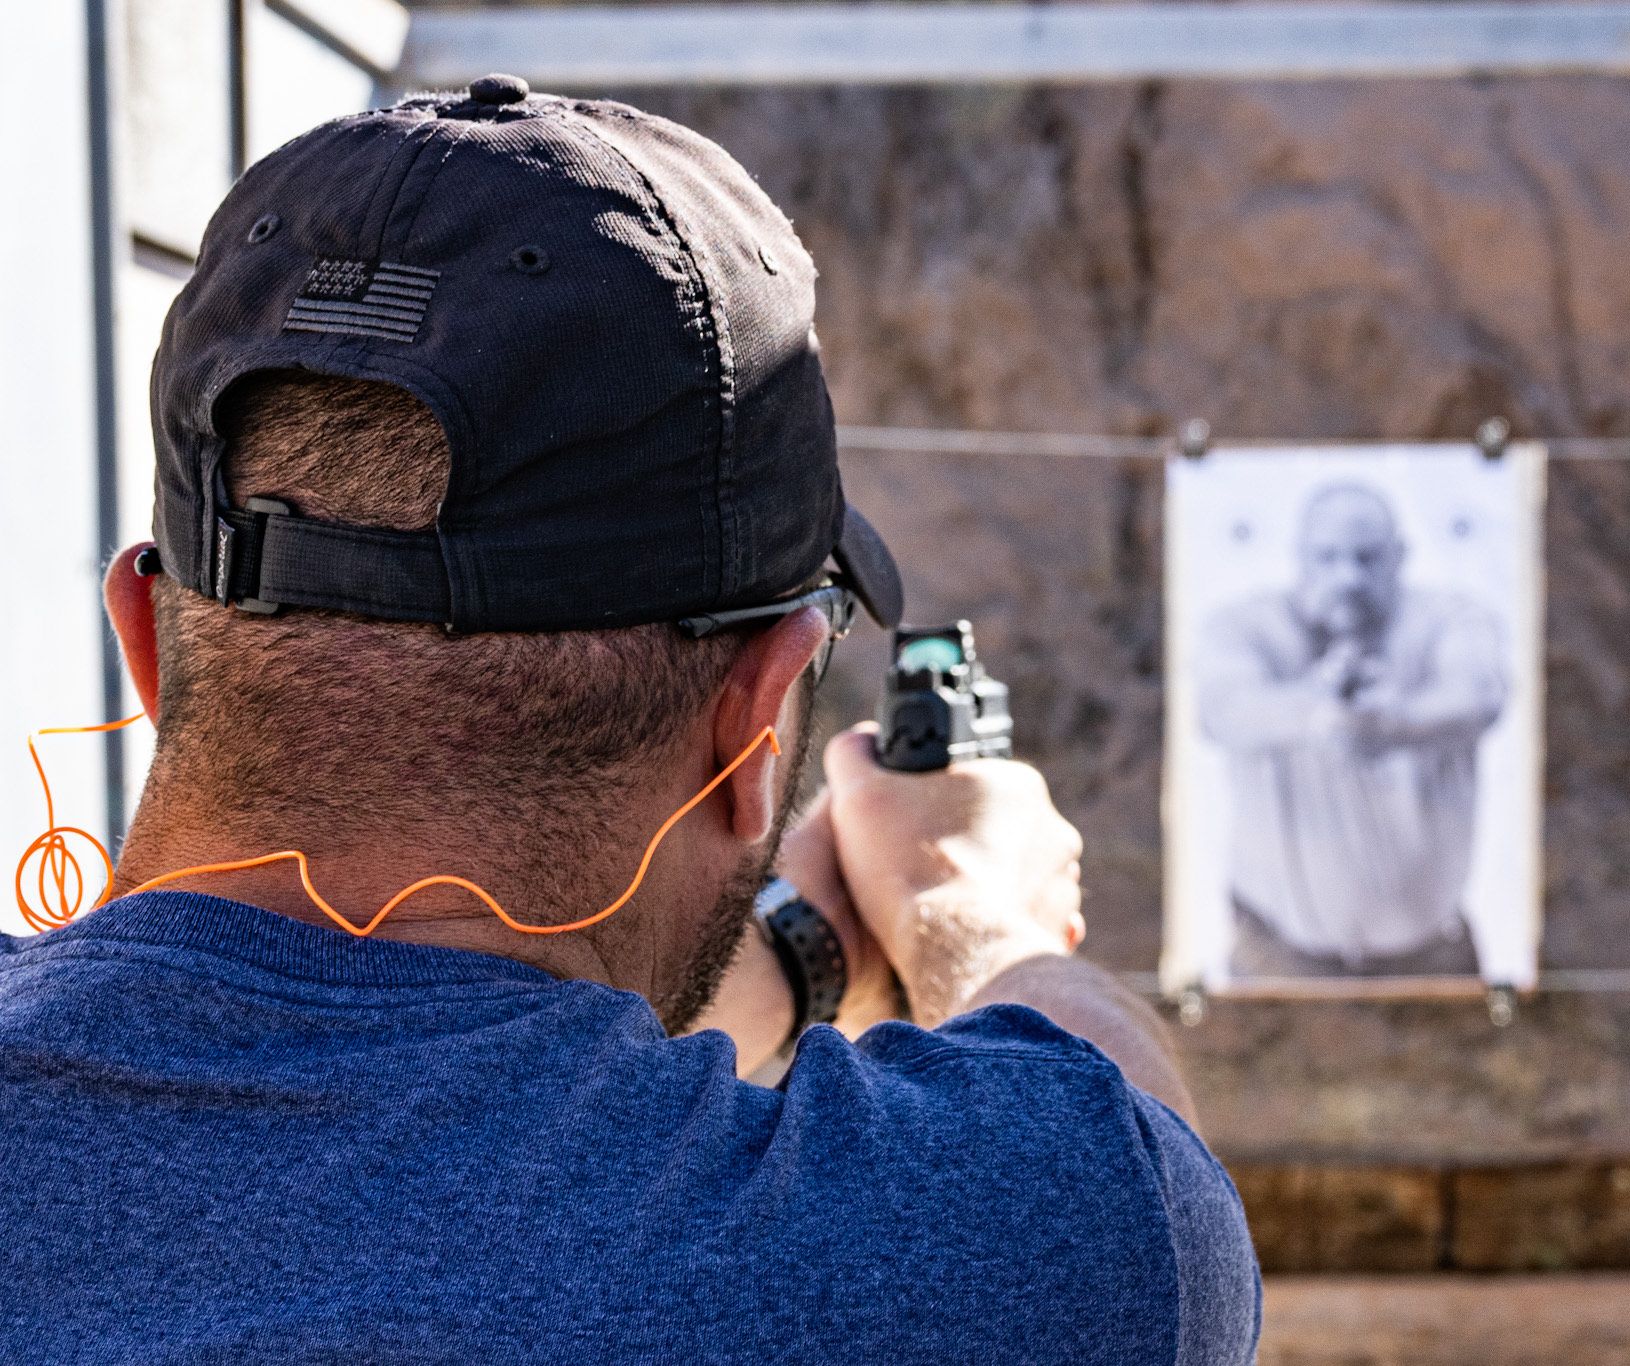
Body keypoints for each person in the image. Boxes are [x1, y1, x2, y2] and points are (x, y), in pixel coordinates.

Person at [0, 79, 1257, 1363]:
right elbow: (1138, 1187)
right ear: (757, 726)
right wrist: (976, 916)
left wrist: (809, 948)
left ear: (147, 644)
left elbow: (390, 1121)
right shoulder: (1010, 1257)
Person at [1197, 481, 1508, 978]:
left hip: (1431, 959)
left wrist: (1397, 721)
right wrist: (1317, 708)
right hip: (1280, 958)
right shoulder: (1244, 627)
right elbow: (1223, 710)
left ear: (1399, 556)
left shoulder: (1452, 619)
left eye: (1366, 558)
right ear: (1300, 557)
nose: (1347, 577)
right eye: (1328, 557)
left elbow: (1479, 694)